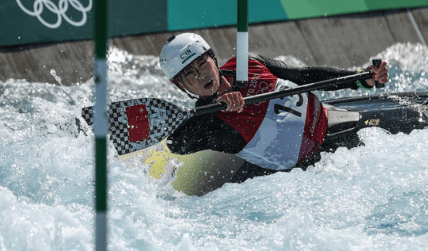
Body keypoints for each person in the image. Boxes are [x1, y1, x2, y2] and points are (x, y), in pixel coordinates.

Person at [160, 33, 388, 177]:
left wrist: (361, 78)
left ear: (213, 57)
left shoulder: (249, 64)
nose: (201, 76)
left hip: (332, 125)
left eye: (202, 63)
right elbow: (177, 145)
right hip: (303, 174)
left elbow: (305, 76)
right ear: (179, 84)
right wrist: (213, 106)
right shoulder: (209, 125)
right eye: (190, 74)